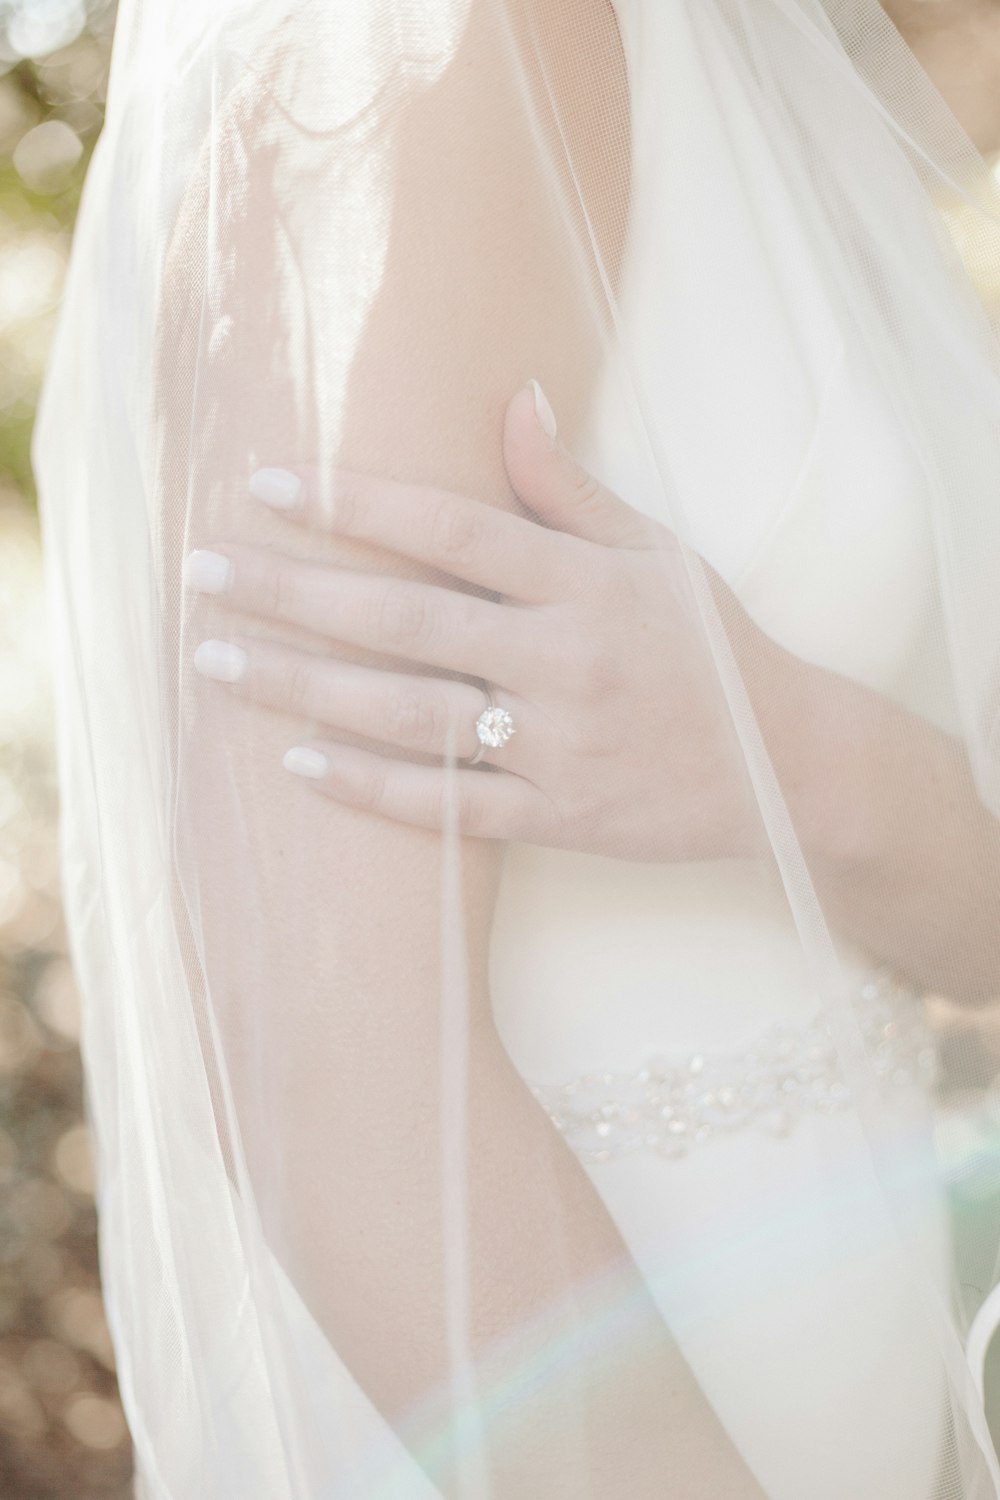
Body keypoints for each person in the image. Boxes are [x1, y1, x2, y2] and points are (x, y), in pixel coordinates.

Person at [32, 0, 1000, 1495]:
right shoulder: (426, 51)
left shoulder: (766, 59)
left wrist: (788, 757)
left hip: (852, 1387)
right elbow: (331, 1062)